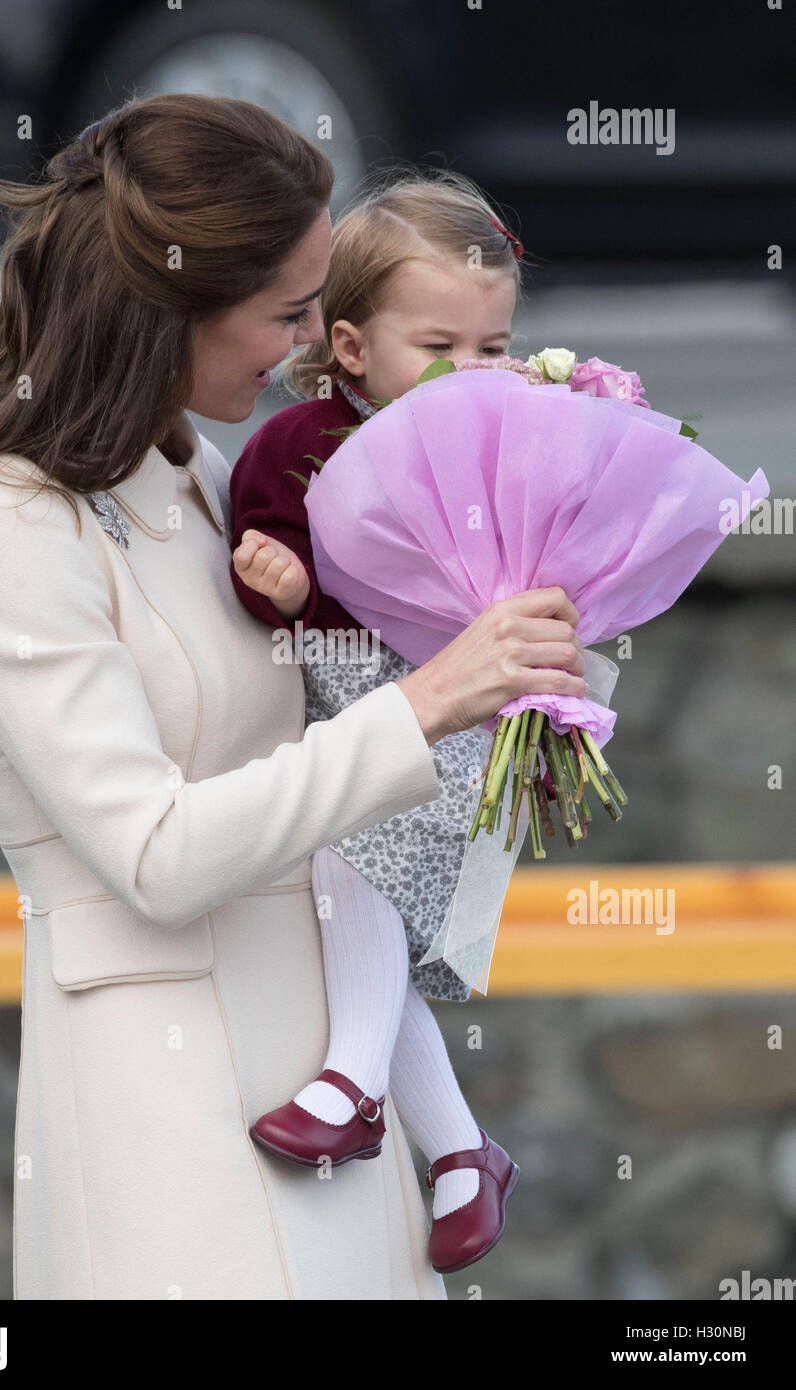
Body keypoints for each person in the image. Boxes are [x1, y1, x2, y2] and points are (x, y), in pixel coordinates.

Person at [0, 94, 586, 1299]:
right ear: (170, 306)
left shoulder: (196, 464)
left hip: (322, 1100)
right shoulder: (1, 519)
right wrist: (424, 708)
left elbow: (323, 706)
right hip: (172, 1125)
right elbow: (154, 851)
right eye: (289, 313)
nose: (310, 344)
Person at [228, 172, 535, 1273]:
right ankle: (459, 1152)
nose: (471, 372)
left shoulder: (517, 444)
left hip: (456, 714)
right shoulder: (297, 447)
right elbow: (278, 583)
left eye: (494, 346)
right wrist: (285, 587)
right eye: (438, 345)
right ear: (350, 346)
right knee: (356, 888)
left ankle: (353, 1086)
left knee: (352, 857)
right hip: (349, 702)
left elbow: (539, 572)